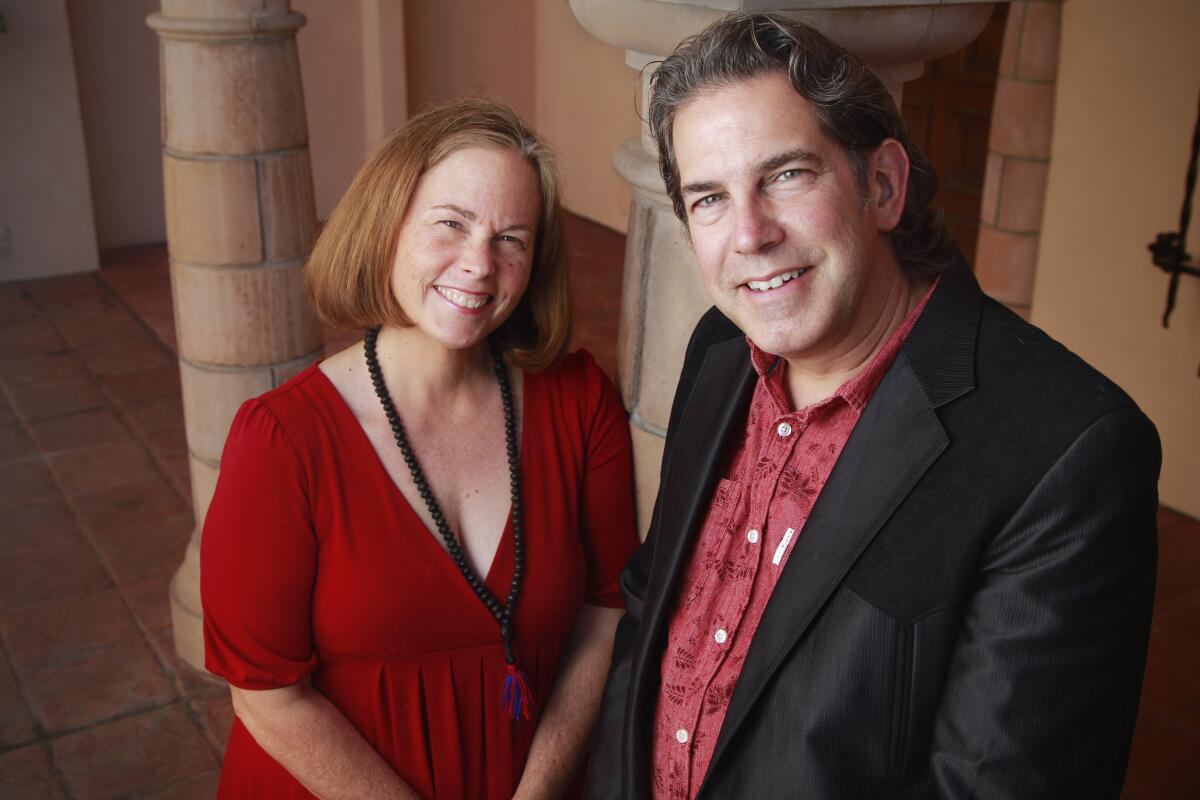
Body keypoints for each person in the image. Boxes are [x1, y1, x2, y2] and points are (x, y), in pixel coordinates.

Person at [585, 12, 1159, 800]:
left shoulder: (1064, 450)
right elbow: (653, 607)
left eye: (786, 174)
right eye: (710, 197)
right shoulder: (719, 349)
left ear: (882, 185)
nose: (749, 234)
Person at [201, 97, 639, 799]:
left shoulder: (578, 401)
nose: (479, 265)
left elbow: (606, 610)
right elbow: (267, 697)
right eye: (450, 225)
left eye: (512, 240)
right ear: (387, 228)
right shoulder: (282, 441)